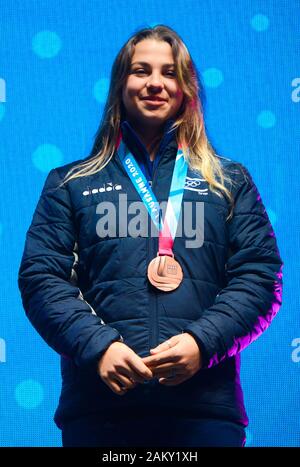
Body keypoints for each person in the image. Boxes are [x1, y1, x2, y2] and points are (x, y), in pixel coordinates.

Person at [18, 25, 283, 447]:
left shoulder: (228, 181)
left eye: (169, 72)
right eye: (141, 70)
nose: (155, 83)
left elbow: (260, 276)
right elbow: (41, 279)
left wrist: (203, 342)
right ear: (121, 84)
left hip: (205, 413)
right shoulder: (70, 183)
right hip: (100, 412)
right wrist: (97, 346)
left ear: (187, 88)